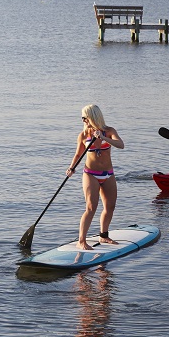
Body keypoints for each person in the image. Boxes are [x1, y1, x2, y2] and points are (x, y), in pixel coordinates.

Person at [66, 104, 124, 250]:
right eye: (82, 118)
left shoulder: (109, 131)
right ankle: (81, 241)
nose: (83, 121)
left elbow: (121, 144)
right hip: (91, 174)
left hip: (108, 174)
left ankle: (103, 236)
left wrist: (104, 137)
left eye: (84, 118)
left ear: (92, 117)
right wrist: (72, 167)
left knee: (110, 207)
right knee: (91, 207)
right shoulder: (84, 135)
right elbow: (78, 154)